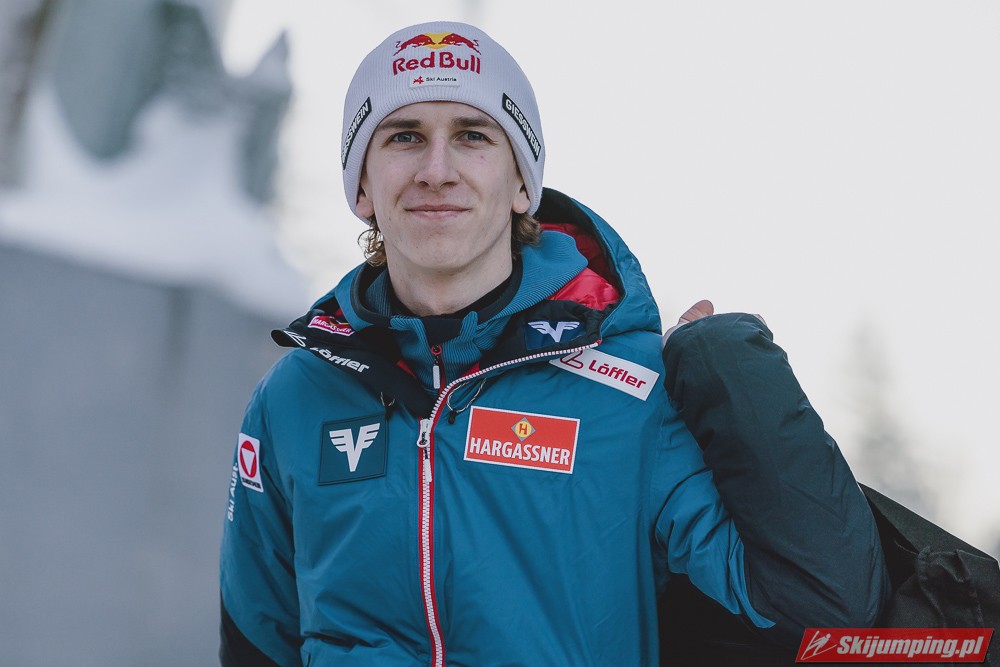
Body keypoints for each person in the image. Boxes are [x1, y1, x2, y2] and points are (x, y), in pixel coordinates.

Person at [219, 21, 890, 666]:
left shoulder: (629, 390)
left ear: (521, 184)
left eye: (473, 135)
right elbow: (257, 639)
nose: (437, 169)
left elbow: (824, 611)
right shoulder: (295, 396)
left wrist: (729, 363)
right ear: (362, 184)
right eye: (404, 137)